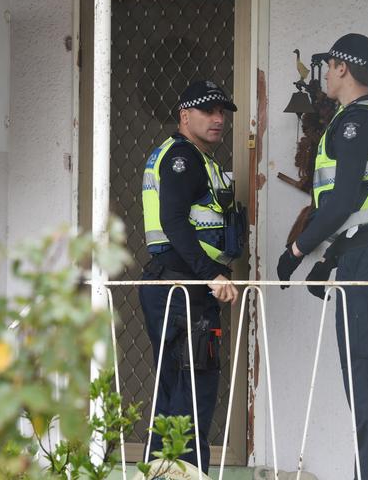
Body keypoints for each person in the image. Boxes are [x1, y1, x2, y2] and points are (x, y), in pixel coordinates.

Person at [276, 33, 368, 480]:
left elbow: (342, 201)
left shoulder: (356, 122)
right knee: (366, 384)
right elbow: (363, 210)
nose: (326, 75)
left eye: (330, 66)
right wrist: (328, 262)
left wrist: (295, 251)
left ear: (342, 69)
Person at [140, 80, 241, 473]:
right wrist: (211, 274)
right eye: (208, 112)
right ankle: (180, 472)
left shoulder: (195, 158)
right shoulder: (183, 158)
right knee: (191, 393)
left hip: (178, 286)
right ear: (185, 116)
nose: (218, 120)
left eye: (223, 113)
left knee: (178, 392)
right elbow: (174, 222)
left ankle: (163, 472)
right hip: (183, 288)